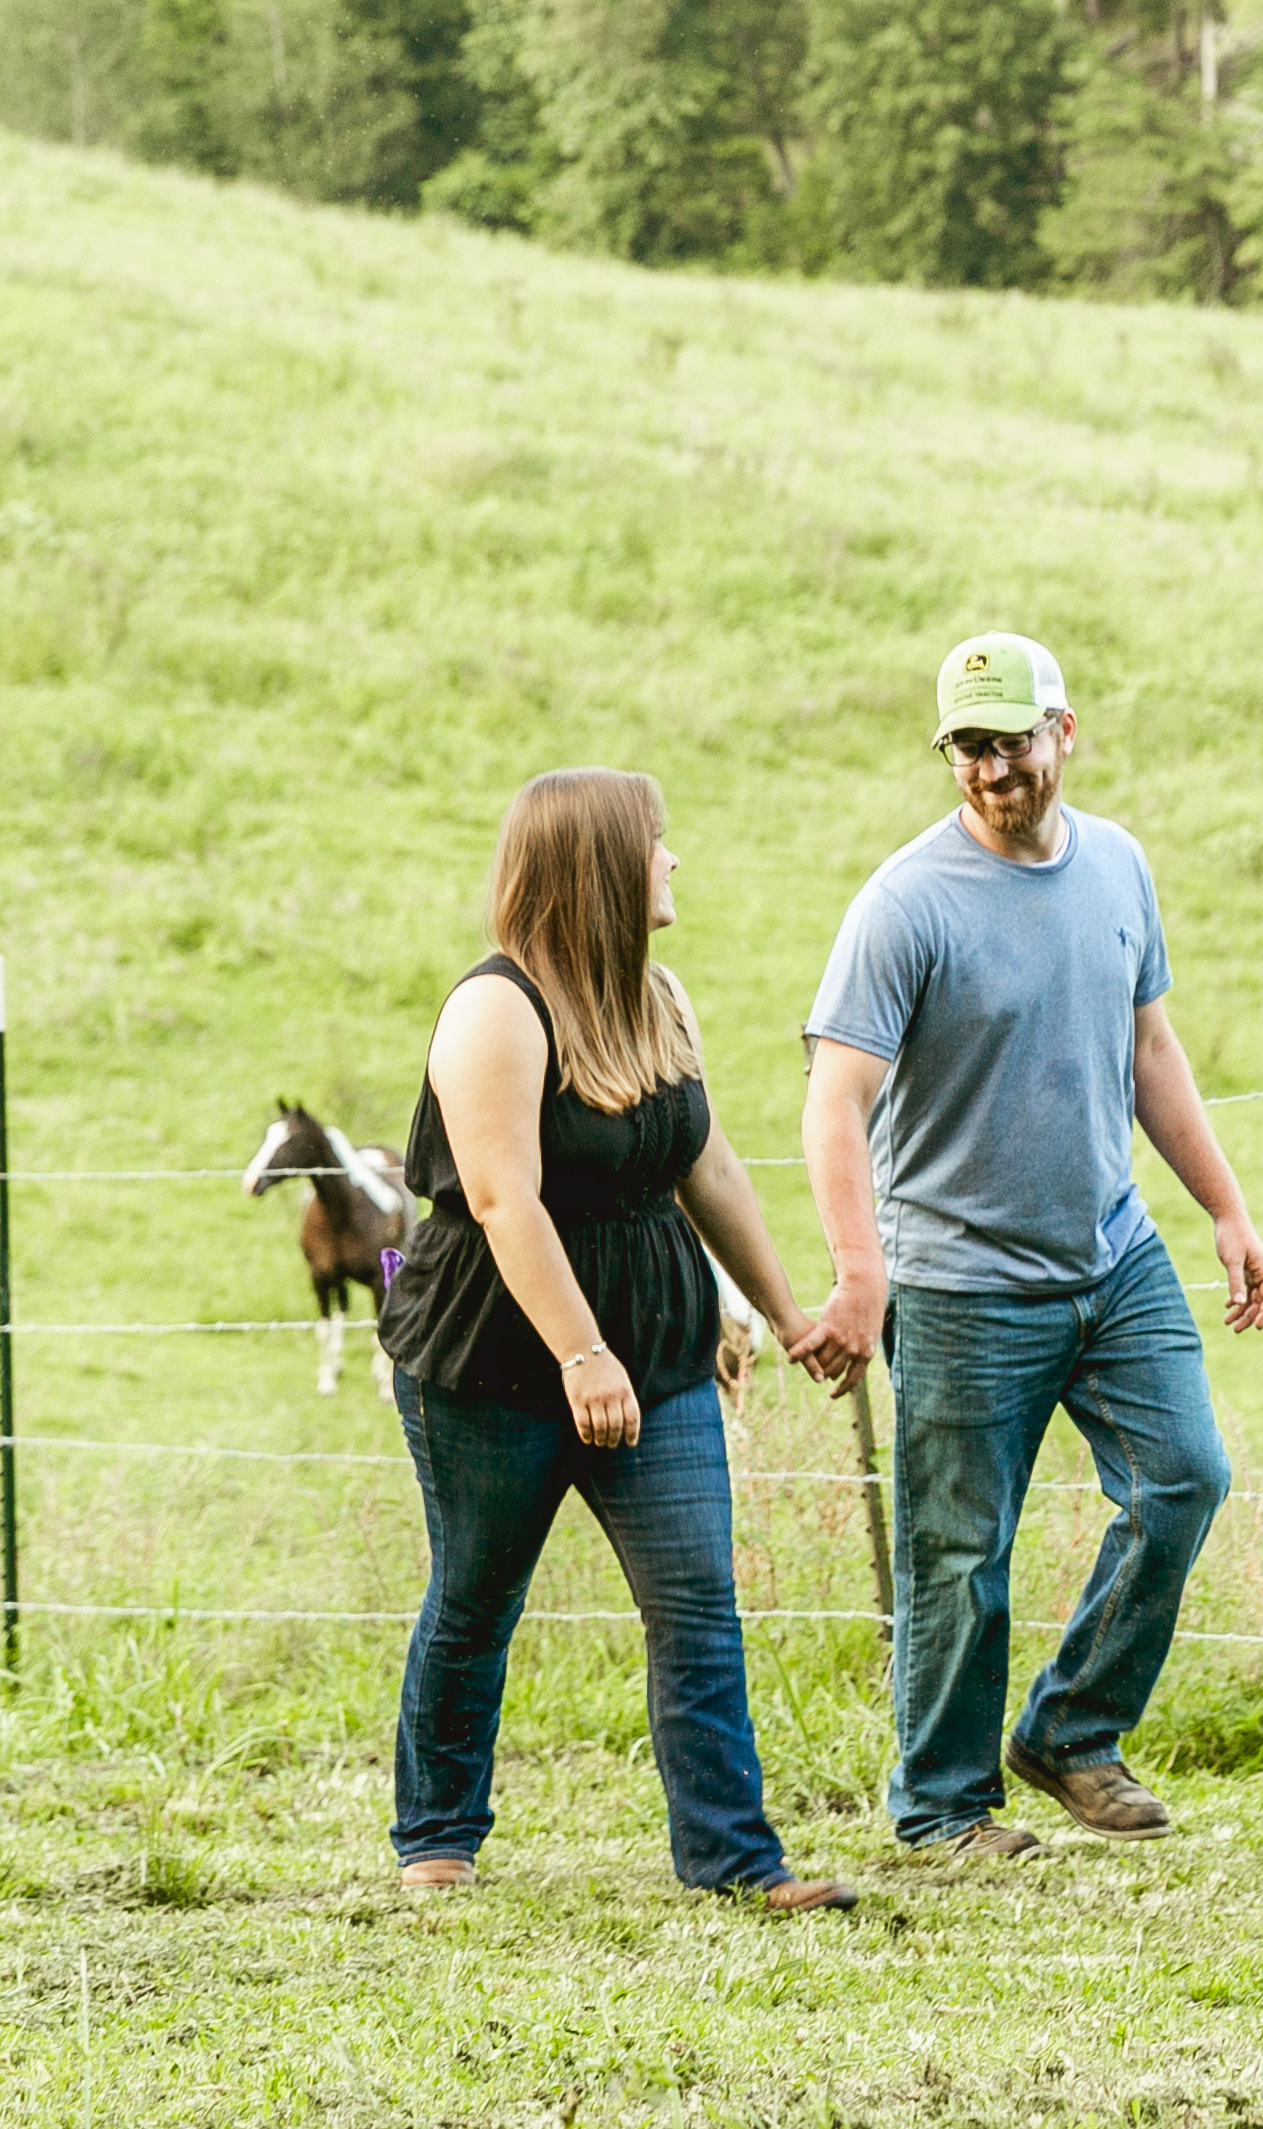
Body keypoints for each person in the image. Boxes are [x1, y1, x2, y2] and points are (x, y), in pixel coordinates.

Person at [794, 630, 1263, 1861]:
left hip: (1110, 1255)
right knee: (962, 1554)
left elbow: (1150, 1049)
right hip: (958, 1281)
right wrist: (861, 1273)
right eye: (967, 746)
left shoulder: (1116, 866)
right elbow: (833, 1101)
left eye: (1011, 740)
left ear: (1066, 731)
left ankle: (1070, 1728)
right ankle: (944, 1809)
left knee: (1185, 1473)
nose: (992, 768)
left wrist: (1224, 1206)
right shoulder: (905, 905)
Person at [376, 768, 855, 1911]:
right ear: (596, 866)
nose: (672, 861)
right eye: (655, 843)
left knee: (695, 1595)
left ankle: (736, 1859)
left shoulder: (658, 997)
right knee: (478, 1593)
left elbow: (708, 1164)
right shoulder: (494, 1010)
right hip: (493, 1357)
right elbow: (504, 1201)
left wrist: (786, 1312)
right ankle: (437, 1835)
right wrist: (581, 1355)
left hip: (659, 1339)